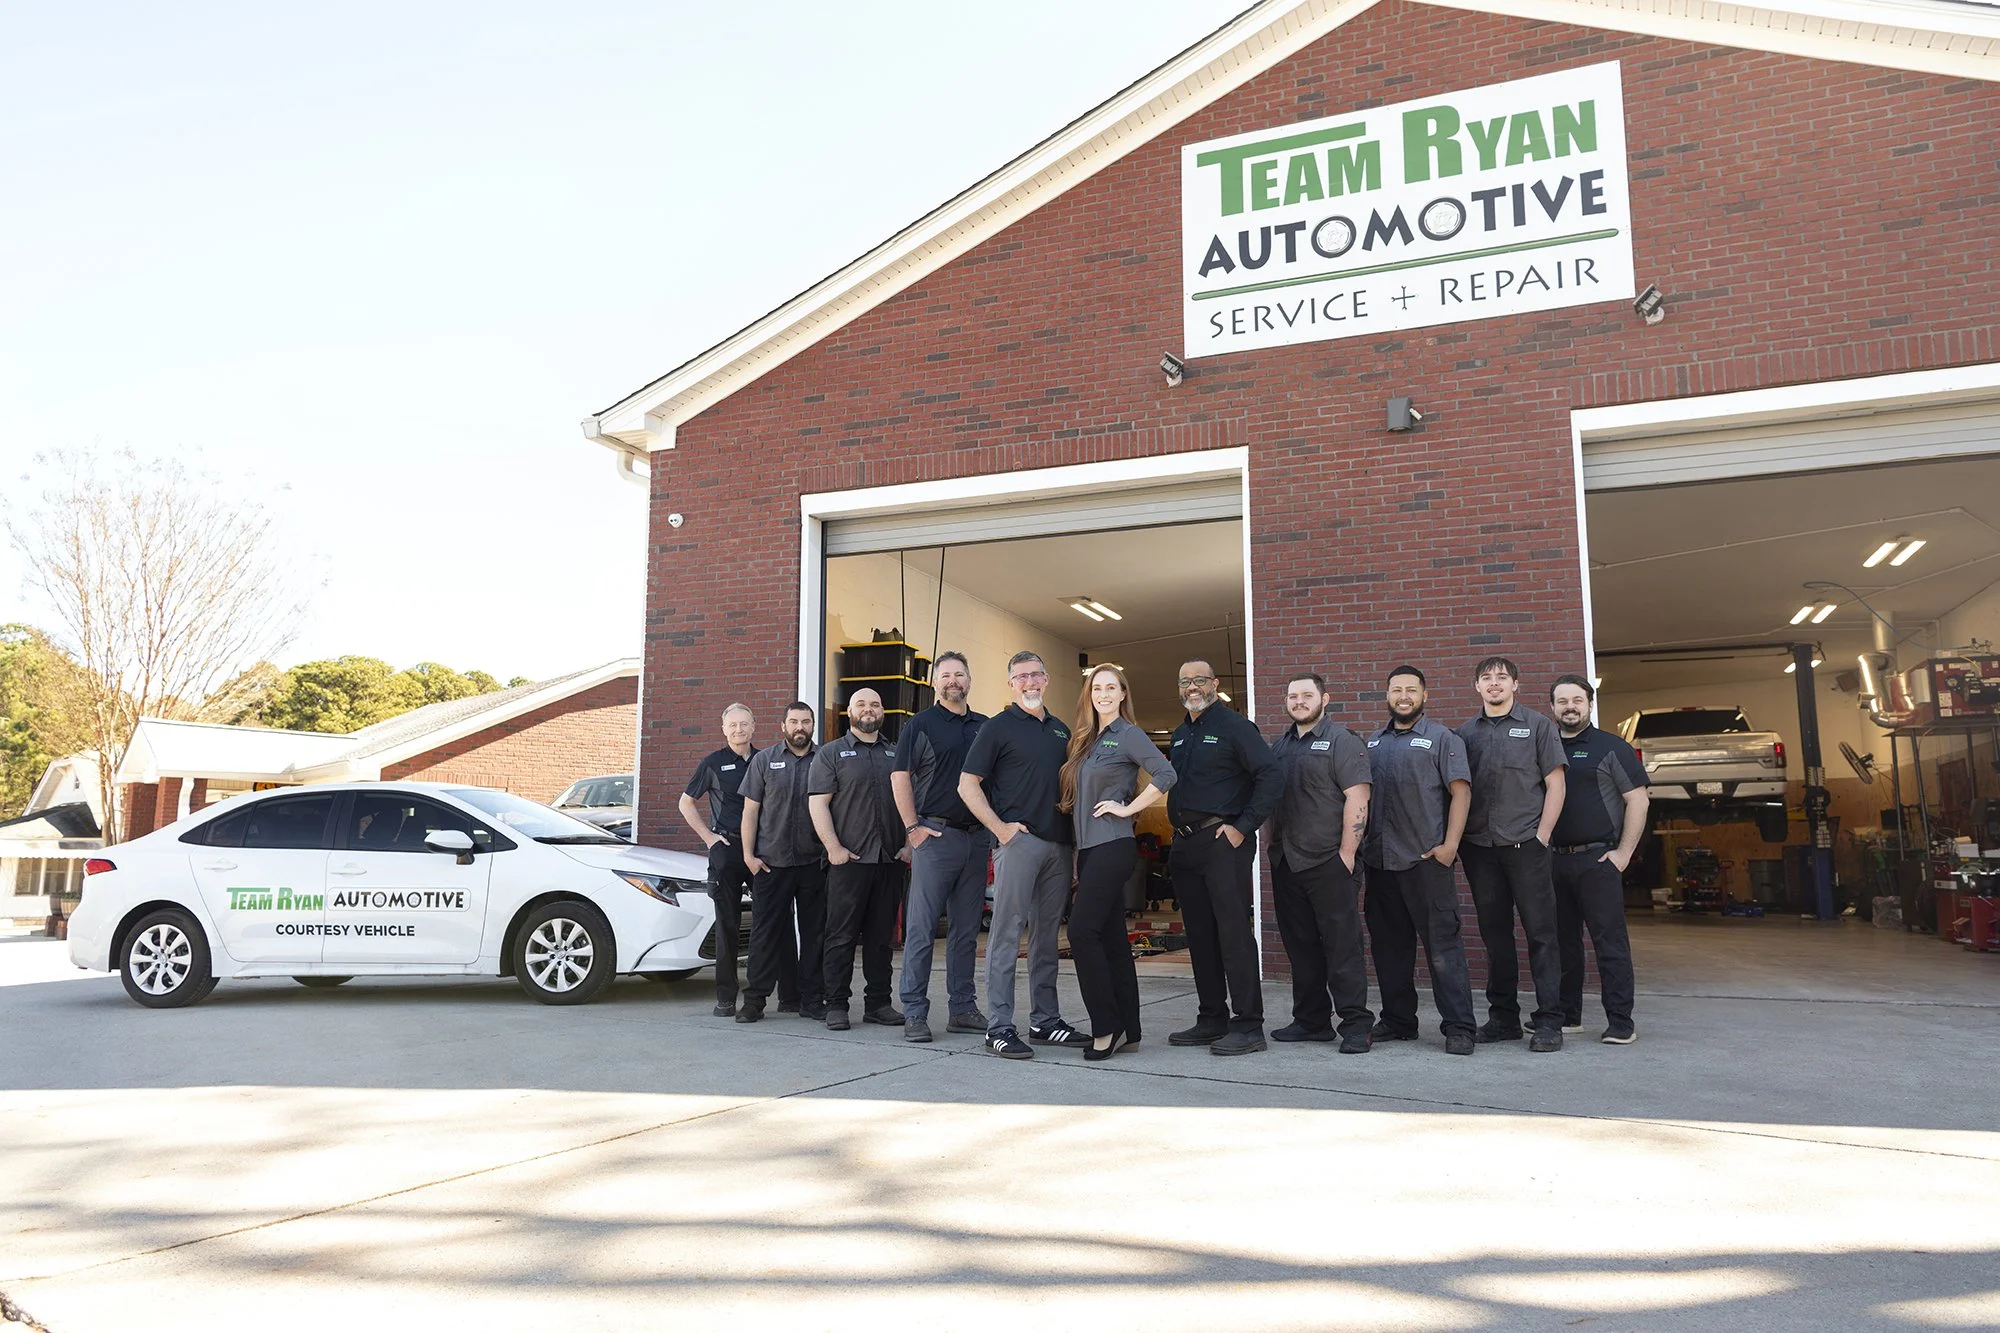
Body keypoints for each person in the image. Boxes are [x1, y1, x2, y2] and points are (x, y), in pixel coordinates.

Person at [959, 650, 1087, 1059]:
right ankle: (998, 1027)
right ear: (1011, 684)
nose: (1029, 682)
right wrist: (1000, 829)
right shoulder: (997, 728)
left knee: (1047, 939)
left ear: (1046, 679)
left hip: (1059, 846)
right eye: (1021, 676)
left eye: (1035, 674)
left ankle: (1045, 1021)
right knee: (1006, 936)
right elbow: (967, 785)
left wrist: (1075, 847)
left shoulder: (1061, 731)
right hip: (1018, 845)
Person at [1058, 663, 1176, 1061]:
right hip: (1090, 850)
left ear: (1123, 693)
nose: (1103, 694)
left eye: (1111, 687)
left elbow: (1166, 773)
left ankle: (1105, 1028)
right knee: (1111, 941)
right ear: (1089, 695)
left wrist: (1128, 809)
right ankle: (1130, 1030)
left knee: (1081, 932)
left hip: (1113, 845)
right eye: (1097, 688)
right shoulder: (1086, 740)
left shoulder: (1128, 734)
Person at [1165, 658, 1282, 1056]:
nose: (1192, 687)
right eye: (1185, 681)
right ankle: (1212, 1018)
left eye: (1199, 680)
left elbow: (1271, 776)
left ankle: (1248, 1025)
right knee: (1200, 936)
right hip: (1186, 846)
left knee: (1233, 934)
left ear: (1215, 683)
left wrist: (1242, 827)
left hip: (1223, 842)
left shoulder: (1236, 727)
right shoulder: (1181, 733)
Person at [1362, 665, 1478, 1057]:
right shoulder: (1373, 742)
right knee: (1389, 948)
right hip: (1381, 862)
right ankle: (1398, 1020)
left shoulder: (1443, 738)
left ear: (1424, 696)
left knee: (1443, 950)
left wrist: (1450, 847)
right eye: (1396, 689)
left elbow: (1461, 793)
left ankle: (1459, 1027)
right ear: (1387, 695)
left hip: (1426, 861)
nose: (1403, 696)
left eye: (1411, 689)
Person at [1456, 657, 1569, 1052]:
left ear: (1515, 684)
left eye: (1502, 677)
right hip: (1480, 849)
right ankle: (1503, 1019)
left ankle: (1549, 1021)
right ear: (1476, 686)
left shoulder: (1538, 726)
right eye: (1486, 678)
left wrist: (1542, 836)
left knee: (1541, 934)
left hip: (1526, 846)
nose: (1494, 683)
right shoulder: (1464, 734)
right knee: (1495, 936)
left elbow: (1556, 784)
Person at [1263, 673, 1374, 1053]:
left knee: (1343, 947)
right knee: (1301, 947)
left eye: (1306, 695)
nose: (1299, 701)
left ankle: (1356, 1024)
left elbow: (1358, 797)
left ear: (1324, 699)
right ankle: (1311, 1021)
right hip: (1287, 861)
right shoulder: (1280, 747)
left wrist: (1347, 854)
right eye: (1292, 696)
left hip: (1329, 861)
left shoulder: (1343, 741)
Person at [891, 651, 990, 1044]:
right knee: (921, 928)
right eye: (945, 675)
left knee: (966, 931)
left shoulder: (985, 726)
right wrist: (912, 829)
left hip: (976, 838)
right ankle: (914, 1012)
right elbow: (900, 776)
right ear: (935, 683)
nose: (953, 681)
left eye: (959, 674)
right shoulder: (920, 724)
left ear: (969, 680)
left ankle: (962, 1009)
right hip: (935, 837)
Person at [1547, 673, 1648, 1045]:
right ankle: (1568, 1016)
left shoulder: (1611, 747)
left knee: (1610, 943)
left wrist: (1623, 854)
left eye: (1577, 700)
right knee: (1563, 944)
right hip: (1555, 861)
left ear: (1589, 704)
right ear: (1552, 707)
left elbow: (1638, 800)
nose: (1570, 707)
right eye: (1562, 701)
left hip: (1598, 860)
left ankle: (1621, 1021)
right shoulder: (1546, 748)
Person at [806, 688, 905, 1031]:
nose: (868, 709)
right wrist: (833, 847)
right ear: (849, 712)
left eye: (875, 704)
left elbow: (912, 800)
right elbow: (818, 804)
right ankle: (836, 1004)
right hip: (848, 862)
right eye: (861, 704)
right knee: (840, 937)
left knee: (881, 939)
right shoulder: (831, 753)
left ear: (883, 711)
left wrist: (908, 843)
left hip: (889, 860)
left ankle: (878, 1004)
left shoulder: (896, 753)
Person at [738, 701, 825, 1023]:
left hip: (814, 863)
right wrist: (748, 855)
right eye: (794, 721)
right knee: (765, 935)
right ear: (783, 725)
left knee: (815, 935)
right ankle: (754, 1002)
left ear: (813, 725)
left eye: (806, 721)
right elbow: (750, 811)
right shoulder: (764, 760)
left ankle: (812, 1000)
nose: (800, 727)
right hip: (771, 864)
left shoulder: (825, 759)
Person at [678, 703, 757, 1017]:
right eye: (733, 725)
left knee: (767, 923)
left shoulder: (764, 760)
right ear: (724, 729)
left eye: (744, 724)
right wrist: (709, 838)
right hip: (727, 850)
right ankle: (726, 998)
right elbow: (686, 803)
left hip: (760, 850)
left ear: (753, 727)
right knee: (727, 926)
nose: (739, 729)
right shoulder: (712, 763)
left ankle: (760, 996)